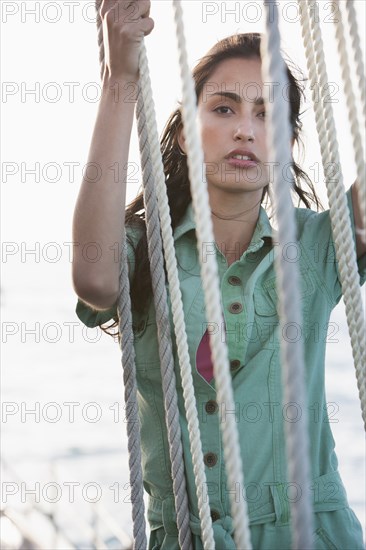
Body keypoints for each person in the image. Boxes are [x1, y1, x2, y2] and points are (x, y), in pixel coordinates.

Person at [72, 1, 366, 548]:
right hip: (185, 535)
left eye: (267, 114)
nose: (247, 132)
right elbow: (93, 279)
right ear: (185, 132)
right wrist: (120, 82)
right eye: (225, 109)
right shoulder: (144, 248)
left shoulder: (320, 246)